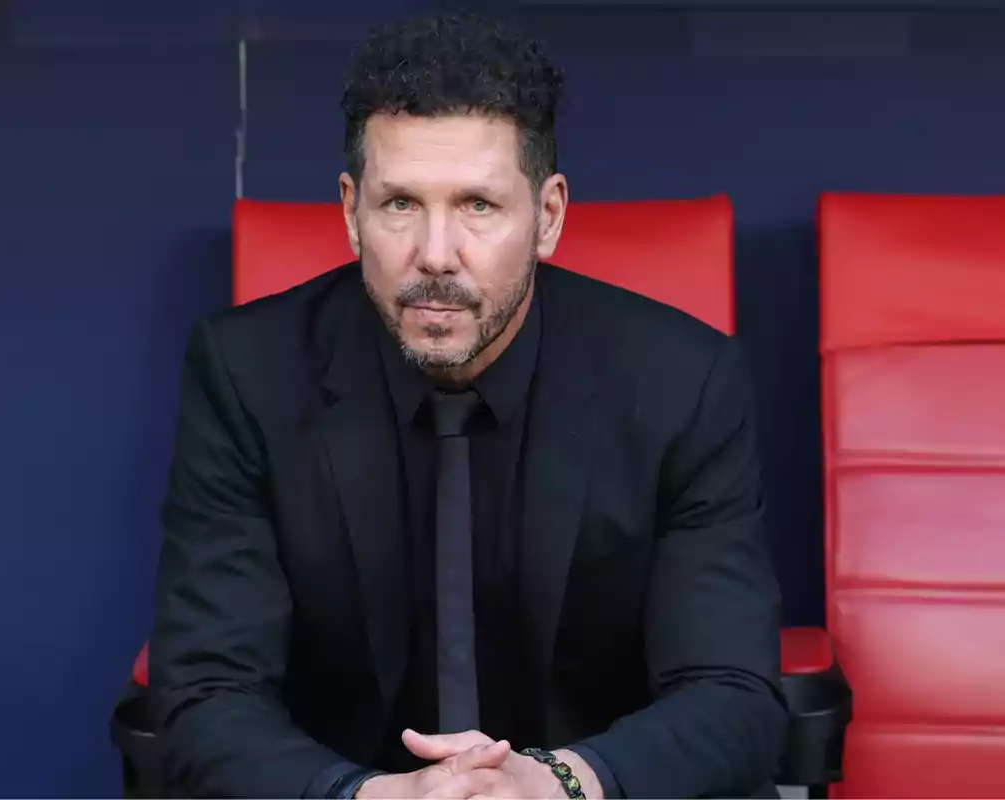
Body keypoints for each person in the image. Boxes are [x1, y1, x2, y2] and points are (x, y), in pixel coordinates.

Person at [150, 10, 787, 799]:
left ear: (547, 217)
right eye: (400, 205)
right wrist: (373, 797)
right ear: (351, 212)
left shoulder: (683, 382)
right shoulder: (246, 372)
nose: (436, 256)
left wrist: (558, 784)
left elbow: (731, 694)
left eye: (479, 206)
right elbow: (207, 693)